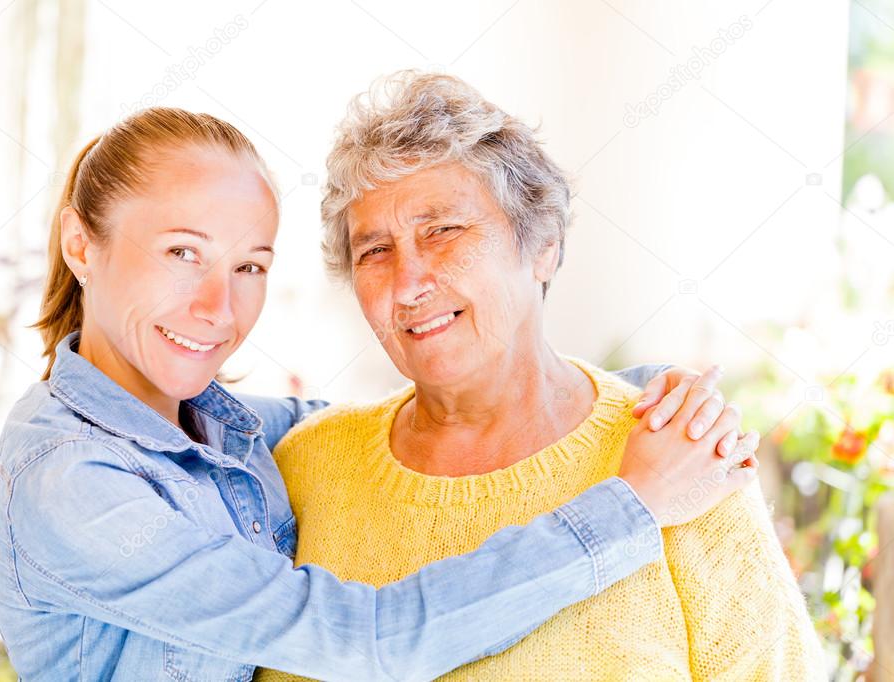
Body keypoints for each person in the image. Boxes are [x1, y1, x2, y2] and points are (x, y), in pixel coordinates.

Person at [0, 106, 758, 681]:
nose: (219, 309)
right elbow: (366, 640)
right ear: (81, 244)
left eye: (249, 266)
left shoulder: (225, 428)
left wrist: (649, 392)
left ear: (545, 244)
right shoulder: (71, 480)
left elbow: (428, 412)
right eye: (183, 252)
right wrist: (631, 505)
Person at [256, 72, 824, 681]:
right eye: (375, 251)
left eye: (443, 230)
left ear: (544, 246)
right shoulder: (306, 469)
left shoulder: (680, 459)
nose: (408, 283)